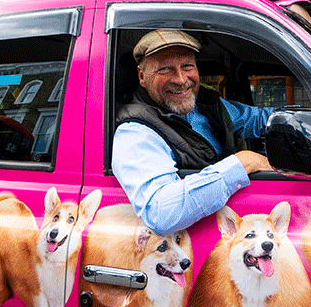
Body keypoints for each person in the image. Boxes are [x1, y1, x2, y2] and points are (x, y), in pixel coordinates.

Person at [111, 29, 275, 236]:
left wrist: (304, 122)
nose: (180, 79)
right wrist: (243, 163)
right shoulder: (135, 132)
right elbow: (160, 213)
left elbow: (257, 119)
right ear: (142, 77)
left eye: (187, 66)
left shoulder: (206, 103)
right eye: (165, 69)